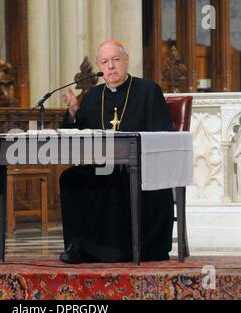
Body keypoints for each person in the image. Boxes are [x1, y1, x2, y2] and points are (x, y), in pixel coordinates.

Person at [59, 40, 174, 264]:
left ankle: (125, 250)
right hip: (102, 166)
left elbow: (162, 135)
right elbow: (76, 134)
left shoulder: (148, 91)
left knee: (114, 179)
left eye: (115, 60)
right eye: (104, 62)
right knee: (70, 179)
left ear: (126, 60)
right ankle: (79, 246)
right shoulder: (93, 96)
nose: (110, 66)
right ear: (99, 66)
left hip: (140, 168)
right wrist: (73, 112)